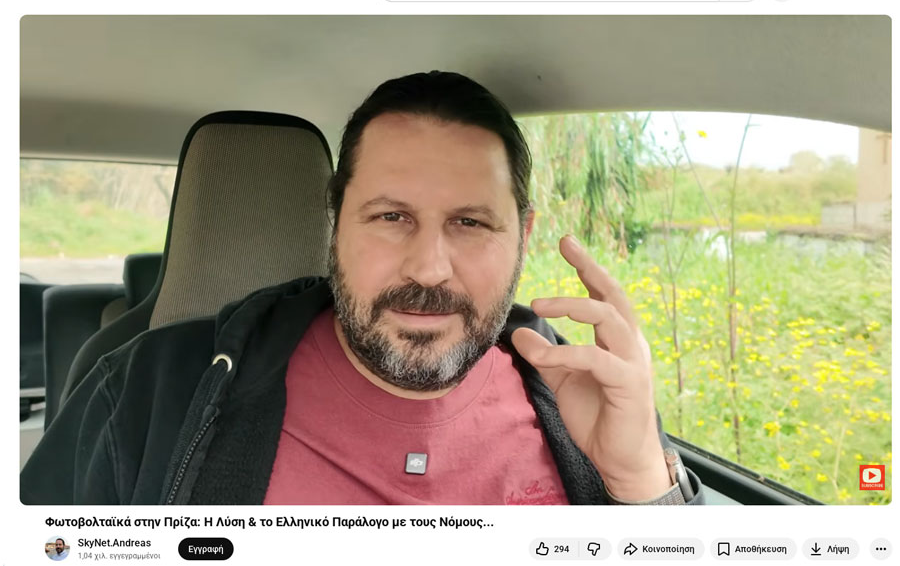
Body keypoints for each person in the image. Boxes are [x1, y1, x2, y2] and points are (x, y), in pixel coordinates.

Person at [21, 71, 703, 505]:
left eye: (470, 223)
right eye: (390, 218)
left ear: (522, 234)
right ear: (336, 221)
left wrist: (643, 482)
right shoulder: (144, 393)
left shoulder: (582, 401)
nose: (429, 268)